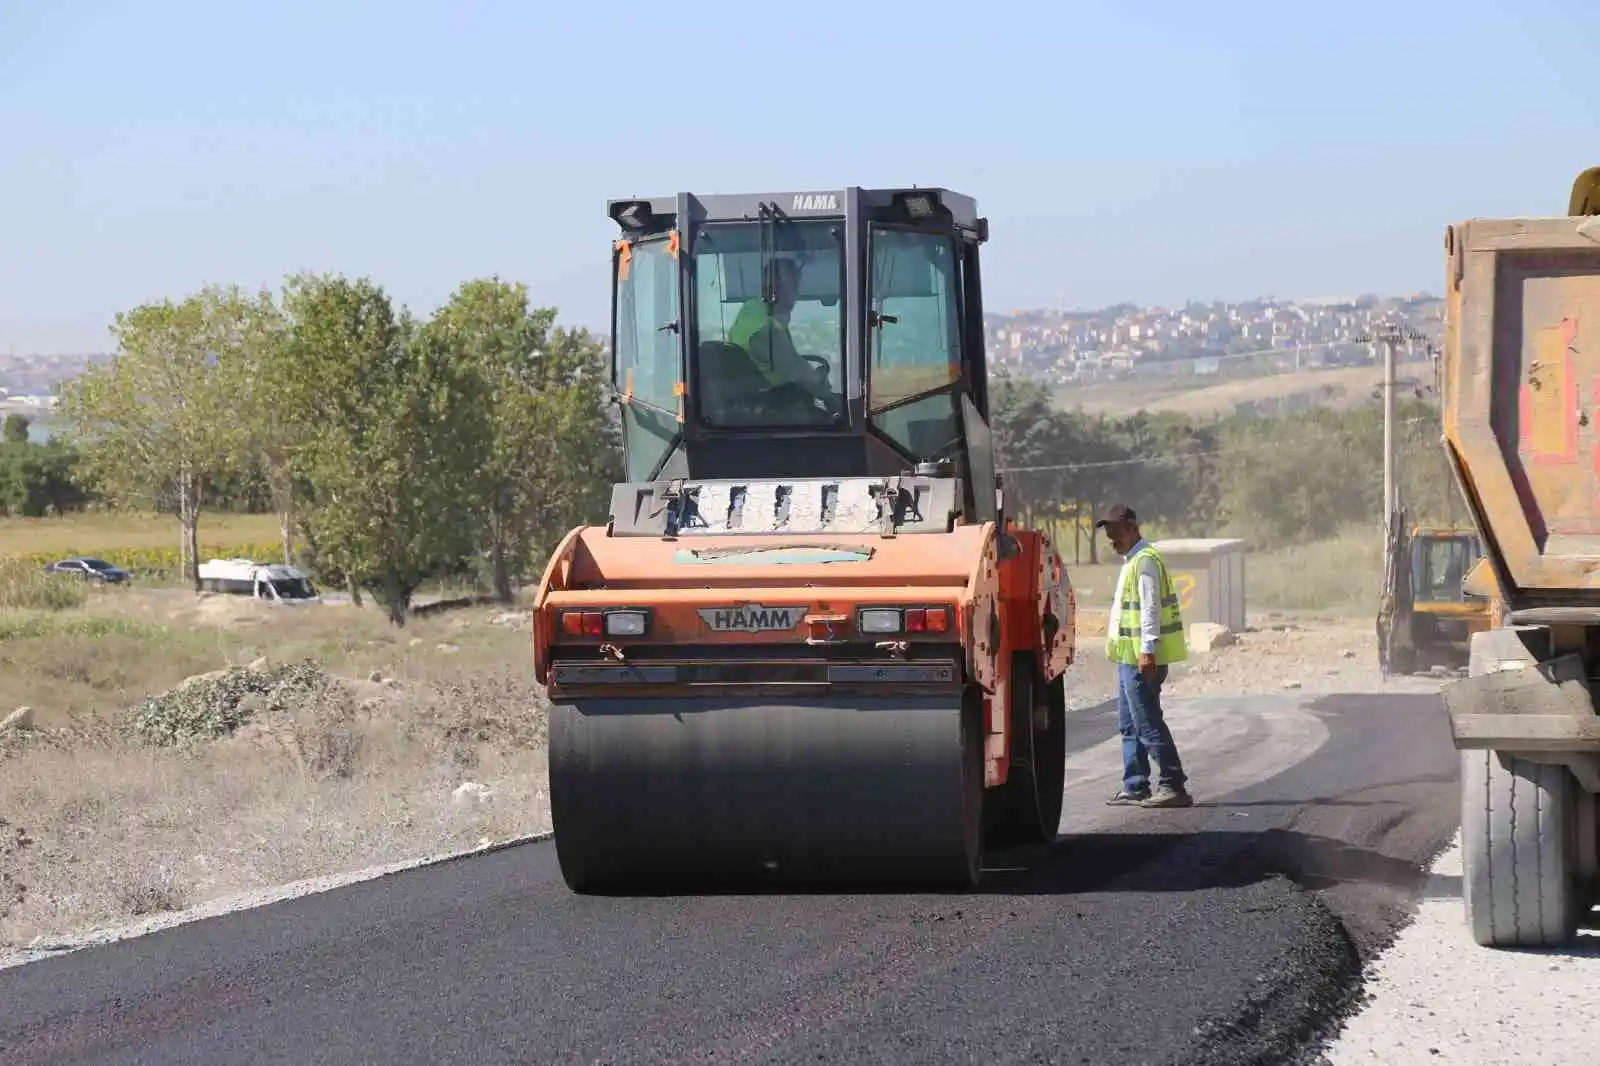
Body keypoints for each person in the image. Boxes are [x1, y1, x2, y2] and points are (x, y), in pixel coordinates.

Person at [1095, 502, 1194, 808]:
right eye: (1108, 534)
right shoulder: (1132, 560)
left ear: (1131, 528)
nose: (1112, 540)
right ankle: (1136, 784)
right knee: (1129, 724)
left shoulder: (1145, 561)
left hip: (1141, 658)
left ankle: (1173, 784)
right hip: (1128, 657)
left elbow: (1150, 610)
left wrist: (1147, 651)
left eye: (1115, 533)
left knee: (1147, 721)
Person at [727, 257, 831, 403]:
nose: (796, 292)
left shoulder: (756, 309)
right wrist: (822, 387)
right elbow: (794, 367)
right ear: (774, 285)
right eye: (793, 284)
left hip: (766, 398)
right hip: (766, 403)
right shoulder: (762, 325)